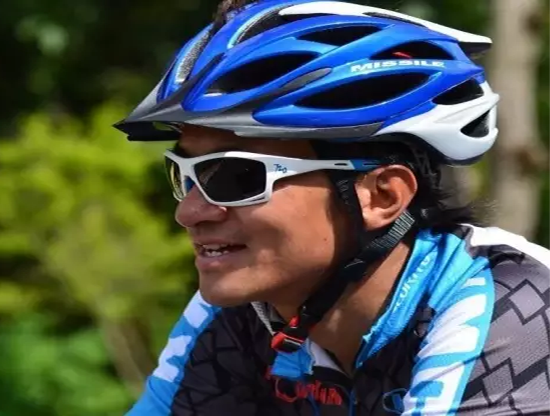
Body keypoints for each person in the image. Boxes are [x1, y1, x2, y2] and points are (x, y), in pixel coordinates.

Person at [114, 1, 550, 414]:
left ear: (382, 196)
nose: (189, 212)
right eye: (183, 175)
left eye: (236, 177)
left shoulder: (515, 310)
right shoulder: (240, 308)